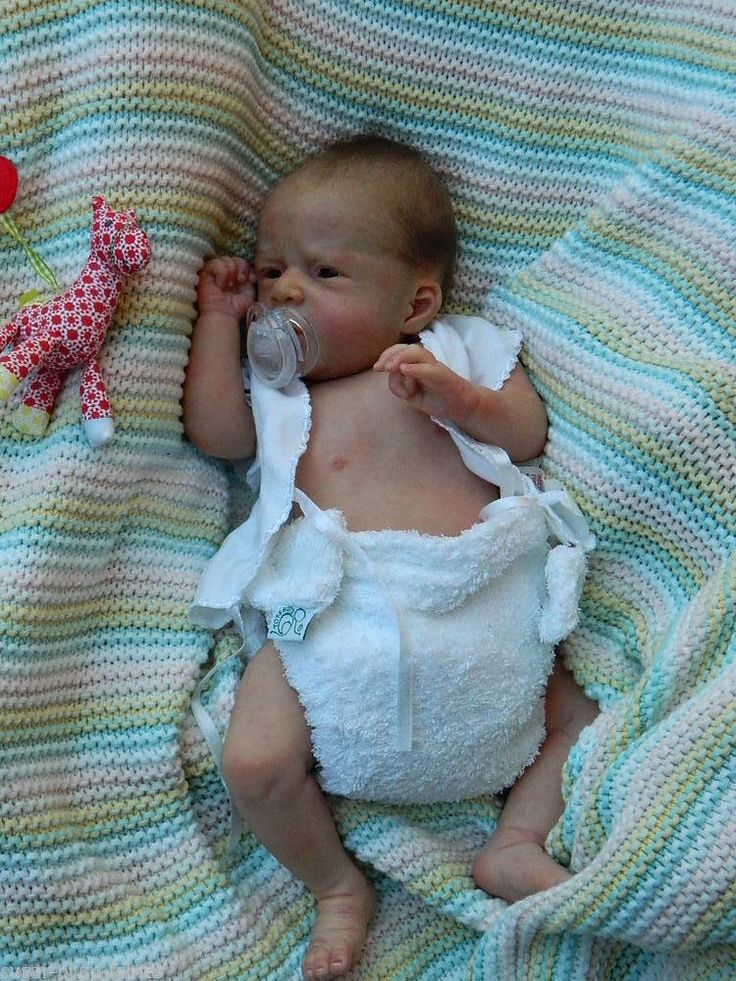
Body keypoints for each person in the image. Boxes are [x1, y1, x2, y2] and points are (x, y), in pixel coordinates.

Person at [183, 134, 597, 980]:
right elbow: (217, 436)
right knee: (253, 759)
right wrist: (219, 326)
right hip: (336, 615)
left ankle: (513, 841)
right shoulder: (280, 392)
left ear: (415, 302)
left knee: (581, 719)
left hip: (475, 601)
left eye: (325, 273)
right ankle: (337, 886)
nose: (285, 290)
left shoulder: (460, 348)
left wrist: (458, 397)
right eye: (270, 271)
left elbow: (525, 433)